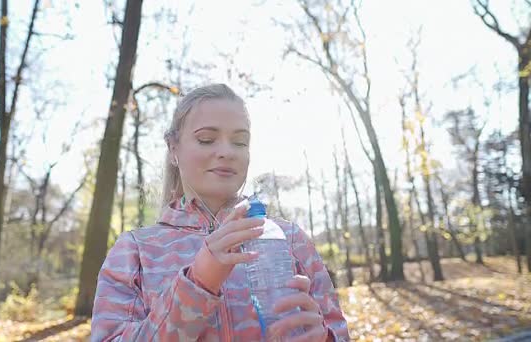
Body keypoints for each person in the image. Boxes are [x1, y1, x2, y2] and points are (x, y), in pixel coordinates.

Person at [91, 84, 350, 341]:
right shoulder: (134, 251)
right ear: (173, 149)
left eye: (240, 141)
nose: (227, 152)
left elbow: (339, 333)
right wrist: (198, 283)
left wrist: (324, 338)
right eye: (206, 139)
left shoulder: (290, 239)